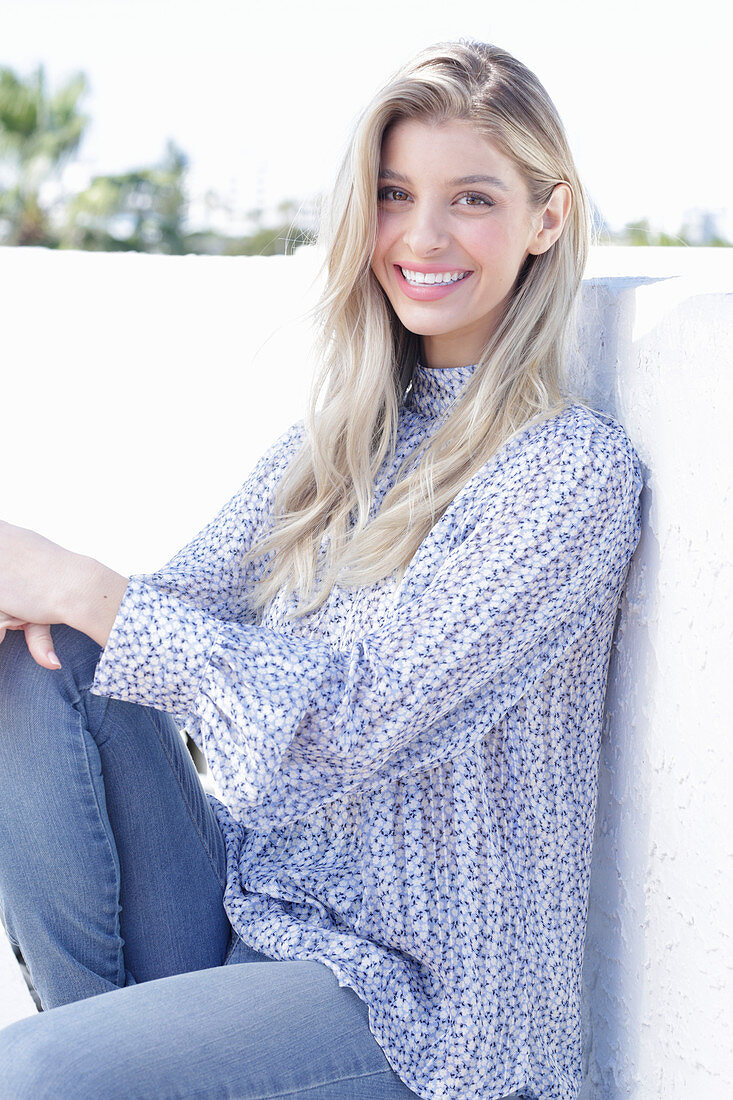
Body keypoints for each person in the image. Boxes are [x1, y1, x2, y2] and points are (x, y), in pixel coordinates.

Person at [0, 39, 642, 1100]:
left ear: (548, 216)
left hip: (422, 1005)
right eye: (394, 194)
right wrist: (48, 593)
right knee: (45, 651)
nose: (421, 236)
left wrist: (86, 584)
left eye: (470, 198)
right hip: (254, 915)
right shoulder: (339, 444)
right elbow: (160, 621)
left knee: (34, 1072)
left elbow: (352, 721)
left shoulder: (567, 474)